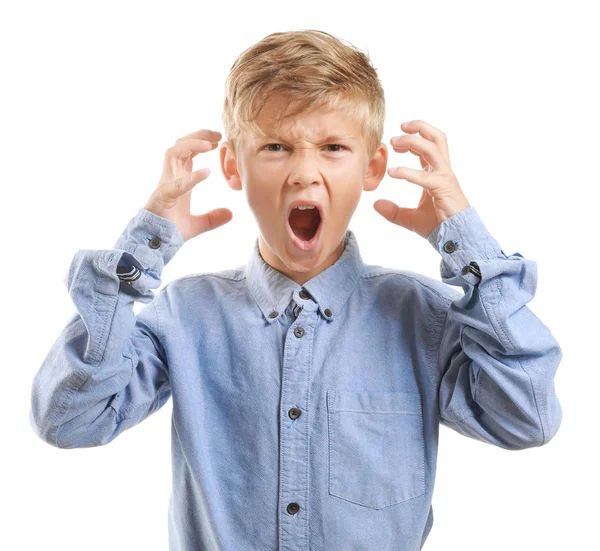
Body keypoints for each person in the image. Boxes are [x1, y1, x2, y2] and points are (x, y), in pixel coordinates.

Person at [29, 29, 563, 550]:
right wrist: (141, 250)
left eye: (333, 147)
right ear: (233, 166)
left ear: (372, 166)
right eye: (276, 147)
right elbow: (68, 420)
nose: (304, 173)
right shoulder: (184, 315)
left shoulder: (423, 317)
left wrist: (467, 243)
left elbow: (527, 419)